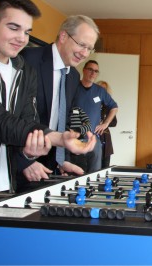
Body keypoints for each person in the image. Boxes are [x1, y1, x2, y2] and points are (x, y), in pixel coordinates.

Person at [0, 0, 95, 214]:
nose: (22, 38)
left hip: (7, 187)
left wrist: (30, 153)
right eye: (13, 28)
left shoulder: (24, 70)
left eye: (27, 31)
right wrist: (57, 138)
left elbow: (28, 123)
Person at [20, 15, 100, 184]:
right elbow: (10, 116)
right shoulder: (27, 59)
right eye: (81, 45)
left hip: (48, 165)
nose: (85, 53)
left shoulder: (73, 76)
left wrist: (62, 160)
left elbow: (62, 120)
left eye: (90, 49)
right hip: (20, 160)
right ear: (63, 36)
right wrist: (25, 160)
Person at [74, 61, 118, 172]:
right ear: (84, 70)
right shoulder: (73, 87)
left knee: (95, 172)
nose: (93, 73)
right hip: (75, 138)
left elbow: (114, 107)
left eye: (96, 71)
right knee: (76, 172)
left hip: (94, 139)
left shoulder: (100, 91)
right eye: (90, 69)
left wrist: (105, 123)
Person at [97, 80, 118, 168]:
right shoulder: (92, 103)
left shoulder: (109, 105)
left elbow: (114, 122)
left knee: (105, 167)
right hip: (94, 136)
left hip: (105, 138)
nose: (103, 91)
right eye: (100, 88)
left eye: (104, 89)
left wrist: (104, 123)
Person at [67, 106, 92, 172]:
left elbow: (89, 125)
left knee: (81, 171)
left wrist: (78, 130)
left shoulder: (78, 109)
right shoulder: (61, 108)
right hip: (65, 145)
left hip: (79, 144)